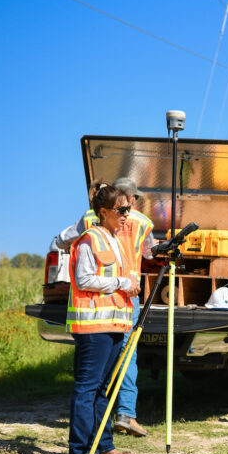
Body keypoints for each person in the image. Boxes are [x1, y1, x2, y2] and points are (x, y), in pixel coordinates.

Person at [53, 177, 155, 437]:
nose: (129, 210)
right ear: (128, 198)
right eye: (130, 203)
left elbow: (60, 241)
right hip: (117, 297)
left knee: (97, 375)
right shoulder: (142, 222)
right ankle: (125, 414)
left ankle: (101, 437)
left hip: (102, 302)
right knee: (125, 357)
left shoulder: (87, 220)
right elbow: (150, 255)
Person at [66, 182, 139, 454]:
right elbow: (83, 279)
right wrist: (121, 283)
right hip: (93, 328)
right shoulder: (89, 240)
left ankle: (103, 444)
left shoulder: (114, 240)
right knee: (87, 387)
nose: (126, 215)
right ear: (104, 211)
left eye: (128, 209)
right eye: (122, 210)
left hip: (114, 325)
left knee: (104, 389)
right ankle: (80, 451)